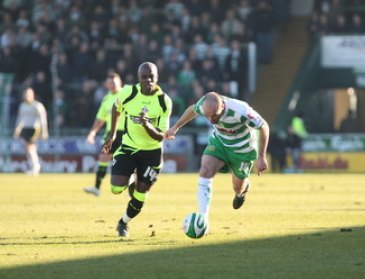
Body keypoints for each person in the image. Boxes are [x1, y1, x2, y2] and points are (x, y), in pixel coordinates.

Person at [165, 92, 269, 232]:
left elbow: (264, 126)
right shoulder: (204, 105)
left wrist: (262, 156)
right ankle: (204, 218)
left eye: (214, 115)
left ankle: (241, 192)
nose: (211, 119)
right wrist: (175, 127)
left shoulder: (240, 111)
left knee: (237, 188)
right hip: (220, 143)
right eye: (208, 116)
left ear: (222, 106)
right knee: (205, 171)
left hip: (243, 151)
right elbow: (192, 109)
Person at [102, 62, 172, 237]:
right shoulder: (128, 93)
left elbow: (160, 136)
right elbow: (115, 108)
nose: (148, 80)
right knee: (116, 189)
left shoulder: (164, 102)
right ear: (138, 78)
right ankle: (132, 176)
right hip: (129, 147)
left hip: (152, 154)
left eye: (151, 77)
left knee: (140, 196)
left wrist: (147, 124)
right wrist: (112, 135)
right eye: (144, 77)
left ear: (157, 78)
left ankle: (123, 223)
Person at [84, 72, 124, 196]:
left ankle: (133, 187)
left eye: (114, 82)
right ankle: (97, 188)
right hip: (110, 134)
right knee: (103, 158)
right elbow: (100, 118)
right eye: (109, 83)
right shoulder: (107, 99)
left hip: (126, 133)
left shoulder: (126, 95)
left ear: (120, 82)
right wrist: (92, 132)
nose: (112, 85)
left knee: (127, 161)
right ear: (106, 85)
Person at [13, 86, 48, 175]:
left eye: (29, 94)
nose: (27, 96)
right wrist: (17, 129)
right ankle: (32, 166)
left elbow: (43, 119)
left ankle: (36, 166)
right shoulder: (22, 106)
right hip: (26, 128)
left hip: (35, 128)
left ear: (33, 95)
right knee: (27, 148)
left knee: (30, 147)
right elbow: (20, 119)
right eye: (25, 94)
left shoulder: (37, 105)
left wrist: (44, 131)